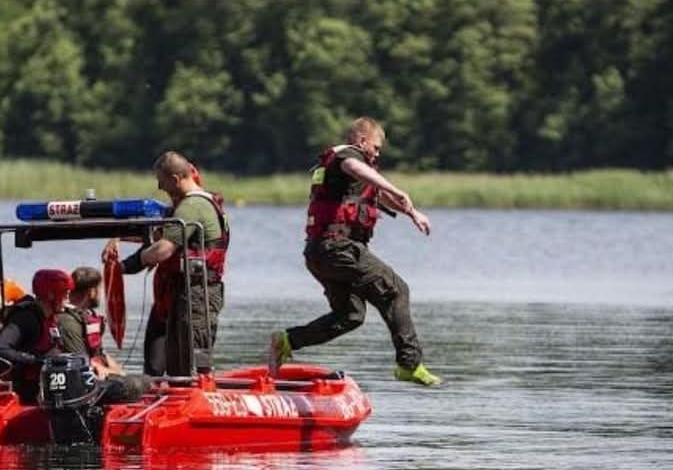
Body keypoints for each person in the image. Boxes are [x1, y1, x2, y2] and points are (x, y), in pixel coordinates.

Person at [269, 117, 441, 386]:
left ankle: (289, 340)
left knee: (350, 315)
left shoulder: (351, 176)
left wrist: (412, 212)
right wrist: (394, 186)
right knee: (397, 290)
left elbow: (380, 196)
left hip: (319, 254)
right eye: (376, 147)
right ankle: (409, 364)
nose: (377, 153)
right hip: (338, 248)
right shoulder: (348, 157)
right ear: (362, 141)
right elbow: (355, 167)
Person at [106, 151, 230, 376]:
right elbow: (158, 238)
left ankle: (199, 392)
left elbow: (163, 249)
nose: (160, 187)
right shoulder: (192, 205)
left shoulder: (192, 207)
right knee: (176, 358)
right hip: (184, 290)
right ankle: (173, 394)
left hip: (197, 292)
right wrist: (121, 249)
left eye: (161, 181)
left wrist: (128, 265)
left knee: (193, 354)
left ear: (174, 179)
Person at [57, 266, 149, 402]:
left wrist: (121, 373)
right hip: (83, 381)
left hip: (97, 371)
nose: (101, 293)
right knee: (137, 384)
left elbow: (99, 353)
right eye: (99, 289)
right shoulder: (68, 321)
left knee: (145, 380)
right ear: (92, 292)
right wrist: (119, 376)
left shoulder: (86, 316)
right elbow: (80, 361)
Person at [0, 268, 73, 403]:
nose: (68, 300)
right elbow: (1, 348)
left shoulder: (51, 319)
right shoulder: (26, 319)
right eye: (65, 295)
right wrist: (35, 360)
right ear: (51, 295)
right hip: (27, 390)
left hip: (50, 386)